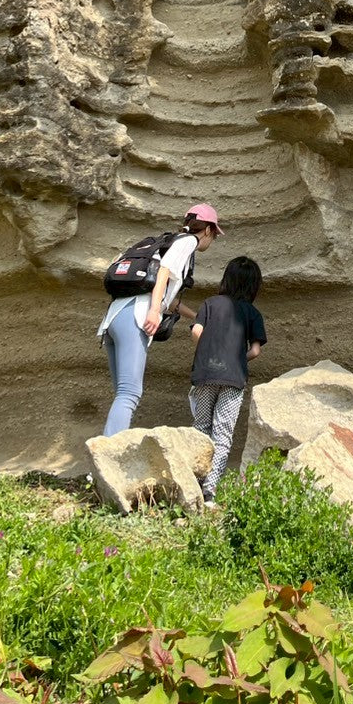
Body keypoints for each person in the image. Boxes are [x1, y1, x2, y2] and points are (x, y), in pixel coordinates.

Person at [98, 204, 224, 436]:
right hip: (137, 315)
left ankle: (108, 452)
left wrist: (198, 317)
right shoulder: (187, 242)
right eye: (214, 234)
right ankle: (109, 456)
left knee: (122, 393)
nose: (212, 239)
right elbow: (164, 271)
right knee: (129, 393)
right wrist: (155, 310)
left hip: (114, 318)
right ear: (207, 230)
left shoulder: (160, 244)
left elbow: (169, 298)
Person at [189, 255, 267, 505]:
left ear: (226, 279)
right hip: (233, 379)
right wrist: (237, 358)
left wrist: (210, 352)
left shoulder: (210, 303)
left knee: (201, 427)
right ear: (254, 286)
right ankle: (209, 492)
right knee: (223, 434)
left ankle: (193, 483)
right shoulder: (252, 313)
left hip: (206, 374)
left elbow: (196, 332)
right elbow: (255, 351)